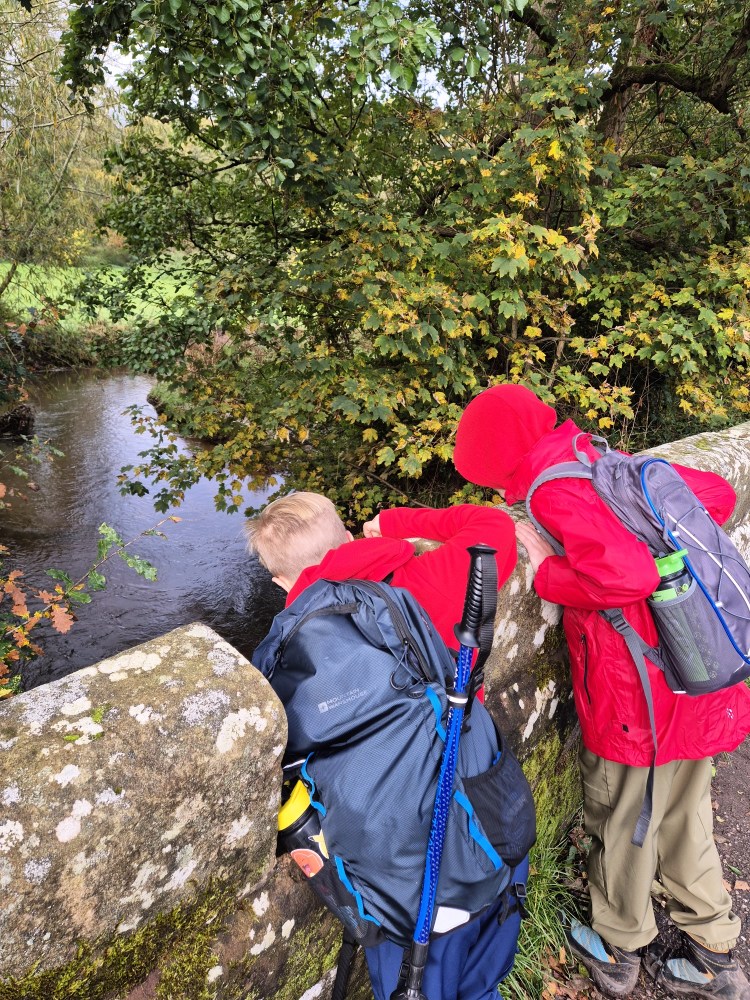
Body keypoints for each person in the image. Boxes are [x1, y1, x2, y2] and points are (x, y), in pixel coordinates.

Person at [453, 383, 750, 1000]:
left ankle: (620, 946)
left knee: (623, 818)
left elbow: (628, 573)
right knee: (683, 811)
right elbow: (717, 496)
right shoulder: (605, 461)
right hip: (695, 678)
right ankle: (715, 952)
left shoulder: (555, 490)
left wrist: (549, 569)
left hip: (637, 701)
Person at [245, 491, 525, 1000]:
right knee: (483, 969)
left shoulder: (289, 657)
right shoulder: (423, 579)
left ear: (281, 582)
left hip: (396, 871)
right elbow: (493, 527)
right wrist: (396, 521)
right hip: (481, 812)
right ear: (349, 538)